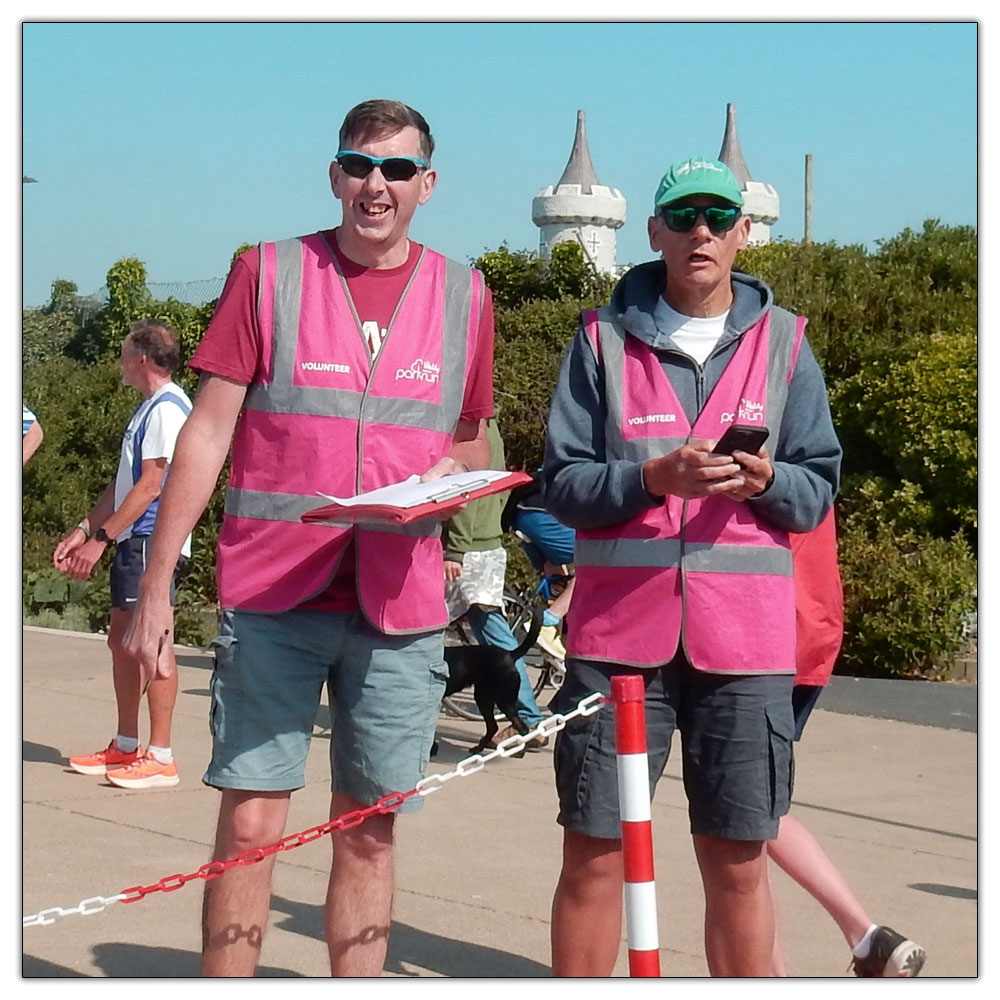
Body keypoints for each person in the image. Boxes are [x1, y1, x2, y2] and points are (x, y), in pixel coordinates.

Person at [122, 99, 494, 977]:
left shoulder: (465, 292)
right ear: (334, 177)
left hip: (399, 602)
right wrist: (156, 586)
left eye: (397, 170)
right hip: (275, 593)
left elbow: (470, 439)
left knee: (369, 830)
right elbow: (207, 434)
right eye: (360, 166)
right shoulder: (269, 272)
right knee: (252, 824)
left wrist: (456, 484)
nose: (377, 184)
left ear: (426, 186)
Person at [542, 156, 842, 977]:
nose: (700, 231)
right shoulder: (598, 341)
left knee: (738, 861)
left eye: (718, 216)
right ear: (653, 232)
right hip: (618, 643)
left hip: (743, 649)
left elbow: (817, 489)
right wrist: (648, 479)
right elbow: (561, 484)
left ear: (745, 232)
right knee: (595, 854)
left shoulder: (785, 345)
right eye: (683, 217)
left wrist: (768, 479)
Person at [767, 509, 926, 977]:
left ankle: (862, 936)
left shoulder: (747, 440)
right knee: (749, 815)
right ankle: (863, 939)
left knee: (741, 820)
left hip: (764, 640)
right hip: (807, 627)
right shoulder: (801, 442)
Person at [52, 319, 192, 789]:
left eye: (124, 352)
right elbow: (124, 483)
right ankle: (126, 744)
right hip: (135, 539)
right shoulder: (147, 410)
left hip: (155, 540)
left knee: (153, 642)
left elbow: (153, 485)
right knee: (122, 640)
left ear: (144, 359)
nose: (119, 362)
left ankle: (162, 755)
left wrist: (101, 540)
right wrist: (84, 529)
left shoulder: (168, 410)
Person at [443, 418, 546, 749]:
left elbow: (464, 492)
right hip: (486, 541)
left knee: (423, 632)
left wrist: (456, 548)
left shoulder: (466, 428)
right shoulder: (491, 428)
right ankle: (527, 721)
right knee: (494, 632)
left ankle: (527, 721)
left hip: (467, 547)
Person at [507, 477, 575, 661]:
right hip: (540, 512)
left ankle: (555, 639)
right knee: (595, 561)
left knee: (559, 574)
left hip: (525, 512)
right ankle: (547, 623)